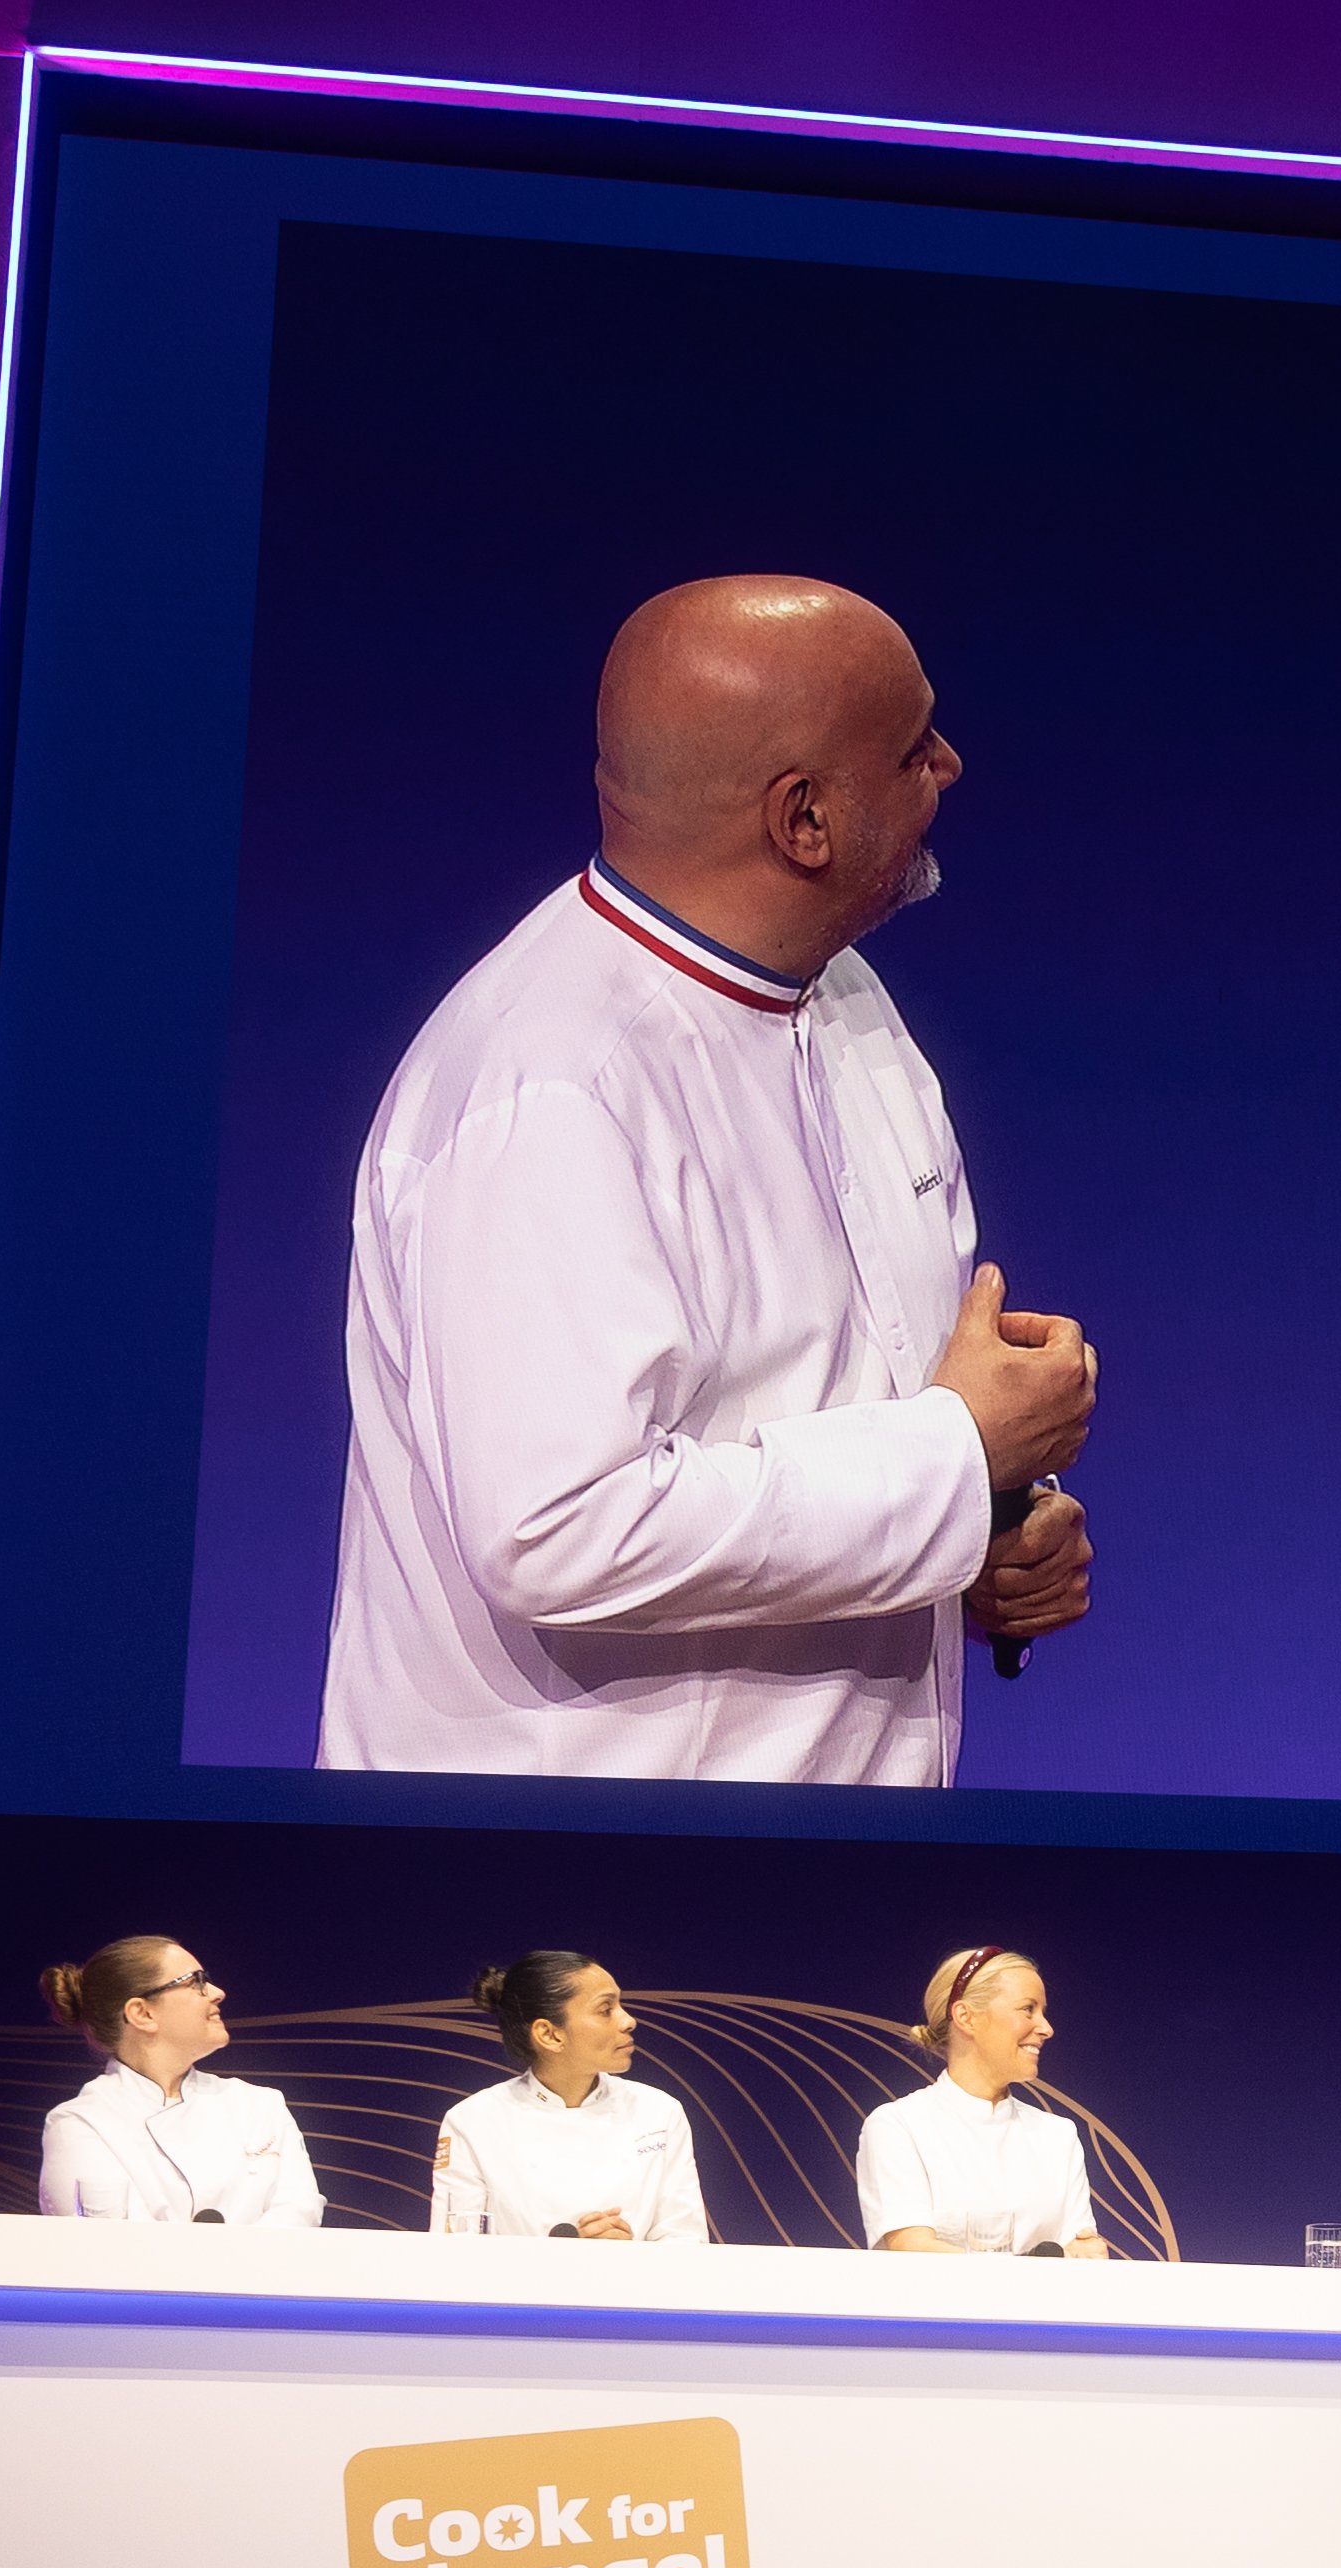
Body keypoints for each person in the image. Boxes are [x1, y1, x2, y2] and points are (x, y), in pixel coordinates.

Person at [323, 575, 1100, 1776]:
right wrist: (952, 1461)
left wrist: (991, 1522)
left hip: (820, 1870)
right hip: (585, 1884)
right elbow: (559, 1527)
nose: (950, 766)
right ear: (804, 822)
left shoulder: (845, 1002)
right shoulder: (551, 1091)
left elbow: (859, 1400)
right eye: (910, 750)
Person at [32, 1937, 324, 2227]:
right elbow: (116, 2250)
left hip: (264, 2272)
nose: (217, 1992)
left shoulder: (259, 2104)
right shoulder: (82, 2124)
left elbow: (299, 2209)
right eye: (196, 1982)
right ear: (143, 2014)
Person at [430, 1950, 713, 2243]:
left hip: (633, 2288)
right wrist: (564, 2259)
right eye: (605, 2010)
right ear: (550, 2035)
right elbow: (455, 2256)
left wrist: (631, 2257)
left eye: (620, 2005)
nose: (628, 2021)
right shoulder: (472, 2122)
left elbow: (686, 2244)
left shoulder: (659, 2112)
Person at [855, 1946, 1108, 2257]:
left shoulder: (1058, 2135)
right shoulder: (898, 2127)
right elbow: (914, 2252)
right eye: (1027, 2009)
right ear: (966, 2017)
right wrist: (1040, 2262)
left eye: (1043, 2012)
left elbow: (1083, 2252)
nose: (1046, 2028)